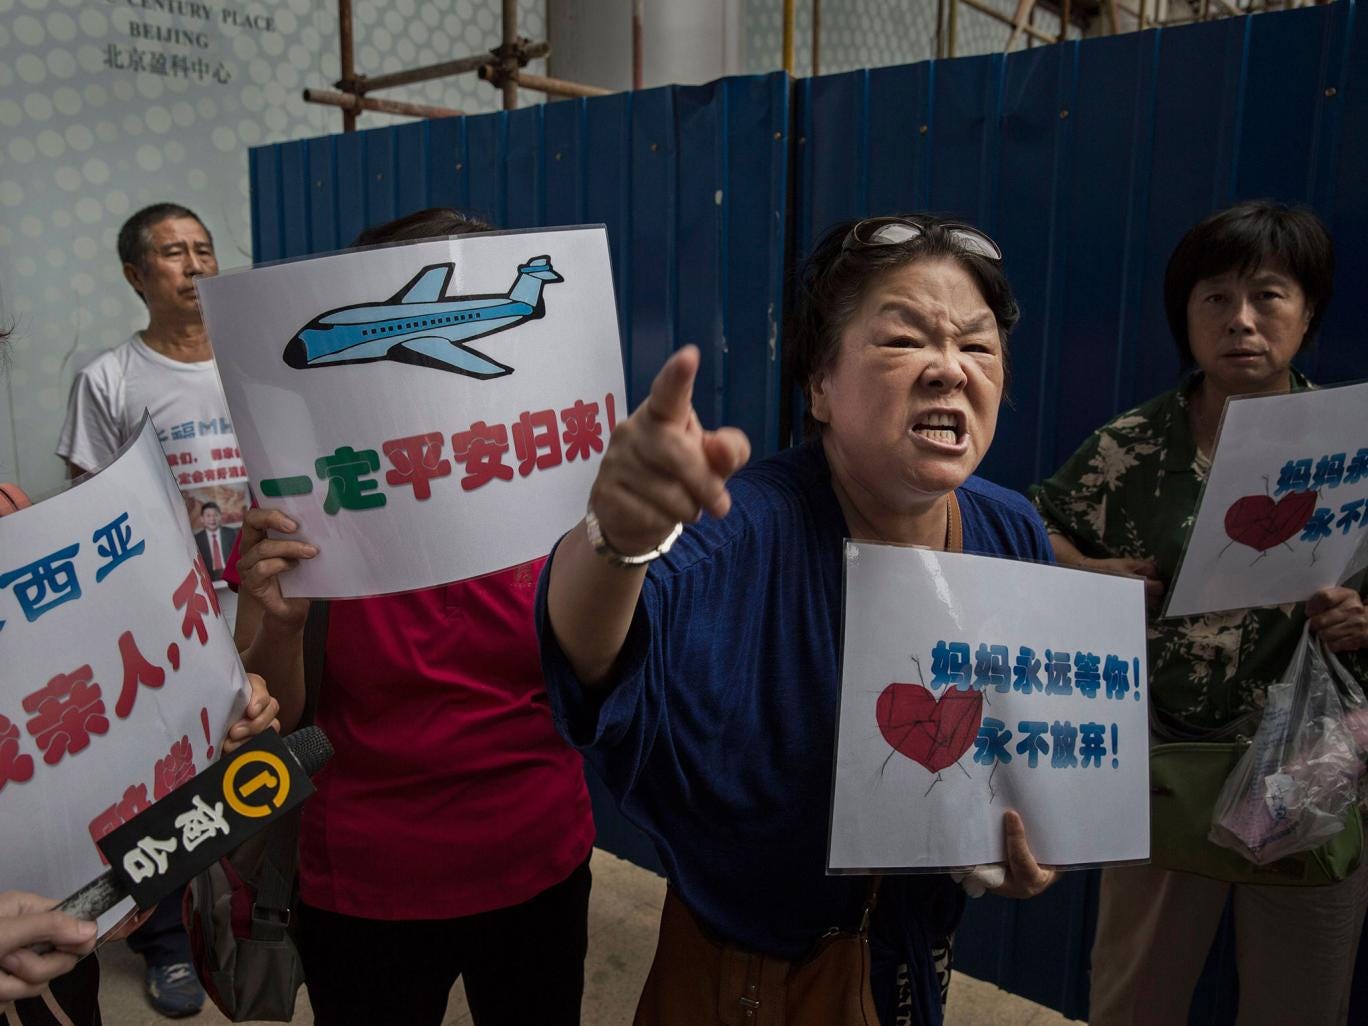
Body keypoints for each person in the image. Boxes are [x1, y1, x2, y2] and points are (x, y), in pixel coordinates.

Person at [539, 215, 1057, 1026]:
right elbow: (588, 656)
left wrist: (1026, 838)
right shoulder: (733, 535)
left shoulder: (1012, 532)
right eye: (903, 340)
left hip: (912, 963)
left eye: (978, 346)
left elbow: (1019, 748)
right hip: (749, 983)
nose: (949, 369)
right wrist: (617, 538)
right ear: (820, 385)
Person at [230, 208, 595, 1026]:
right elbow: (268, 723)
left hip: (540, 855)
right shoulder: (303, 500)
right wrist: (280, 626)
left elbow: (605, 678)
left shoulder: (561, 484)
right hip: (364, 883)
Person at [1031, 200, 1368, 1025]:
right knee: (1134, 1000)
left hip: (1315, 771)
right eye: (1215, 297)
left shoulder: (1351, 447)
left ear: (1309, 312)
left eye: (1268, 295)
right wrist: (1093, 572)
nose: (1241, 320)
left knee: (1299, 1004)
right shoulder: (1134, 447)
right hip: (1163, 767)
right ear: (1184, 317)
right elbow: (1033, 531)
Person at [54, 201, 250, 1018]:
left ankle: (256, 923)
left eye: (204, 249)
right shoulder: (109, 379)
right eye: (174, 254)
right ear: (136, 276)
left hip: (261, 603)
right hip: (165, 617)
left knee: (259, 758)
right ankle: (166, 942)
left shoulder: (252, 358)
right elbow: (90, 509)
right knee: (165, 785)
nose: (195, 266)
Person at [193, 502, 237, 582]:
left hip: (231, 574)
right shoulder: (196, 540)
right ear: (202, 519)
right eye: (208, 516)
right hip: (209, 578)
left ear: (220, 517)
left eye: (215, 515)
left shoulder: (232, 533)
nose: (212, 519)